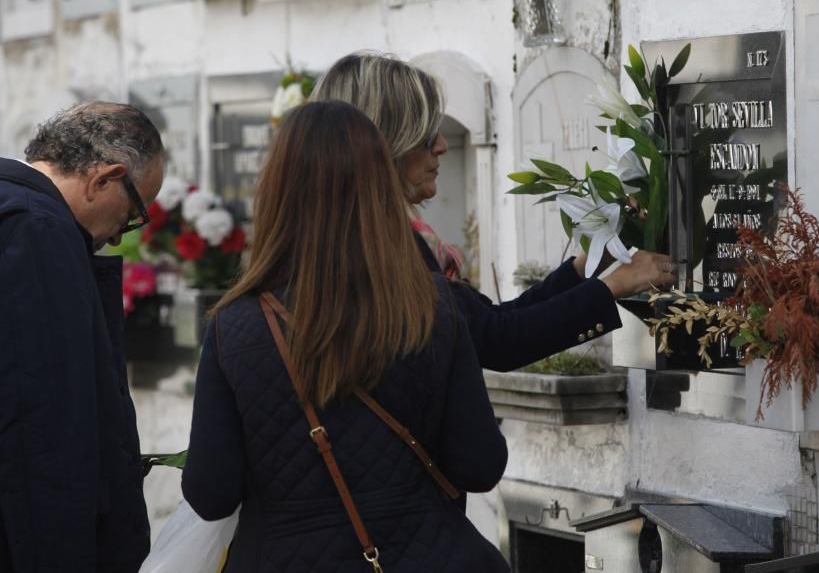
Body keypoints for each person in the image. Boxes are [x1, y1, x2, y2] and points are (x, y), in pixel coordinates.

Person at [183, 101, 510, 572]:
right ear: (380, 187)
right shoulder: (433, 307)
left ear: (276, 191)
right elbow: (480, 465)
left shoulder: (235, 325)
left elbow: (210, 494)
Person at [311, 52, 678, 371]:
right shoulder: (381, 252)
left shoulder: (359, 239)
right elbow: (497, 341)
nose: (441, 145)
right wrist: (613, 285)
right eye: (425, 134)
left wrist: (586, 270)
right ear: (385, 145)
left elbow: (492, 322)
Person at [0, 102, 165, 572]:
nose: (117, 237)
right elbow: (44, 432)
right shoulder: (37, 232)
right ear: (106, 178)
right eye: (134, 213)